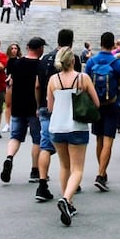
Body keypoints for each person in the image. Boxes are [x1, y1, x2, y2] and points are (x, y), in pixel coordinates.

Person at [47, 46, 99, 226]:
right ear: (73, 60)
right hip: (77, 126)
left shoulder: (53, 80)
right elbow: (96, 102)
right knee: (77, 169)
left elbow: (50, 107)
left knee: (64, 166)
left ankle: (68, 202)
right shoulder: (82, 78)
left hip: (57, 126)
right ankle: (66, 199)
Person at [36, 28, 80, 203]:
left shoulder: (45, 58)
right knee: (70, 147)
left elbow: (38, 85)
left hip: (47, 107)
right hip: (68, 110)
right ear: (71, 41)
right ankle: (71, 182)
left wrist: (39, 105)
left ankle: (42, 183)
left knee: (46, 146)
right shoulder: (72, 59)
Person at [84, 31, 120, 192]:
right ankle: (101, 174)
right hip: (112, 105)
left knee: (99, 140)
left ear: (101, 43)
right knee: (109, 140)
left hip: (96, 106)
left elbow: (86, 85)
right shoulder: (117, 63)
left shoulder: (91, 61)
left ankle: (102, 170)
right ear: (113, 45)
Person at [0, 37, 44, 185]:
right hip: (33, 106)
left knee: (15, 136)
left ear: (27, 47)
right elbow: (38, 86)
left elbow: (10, 82)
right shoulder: (40, 65)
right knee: (37, 139)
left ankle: (9, 157)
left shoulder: (15, 63)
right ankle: (34, 170)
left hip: (18, 105)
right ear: (39, 49)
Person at [1, 42, 21, 133]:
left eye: (15, 48)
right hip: (9, 84)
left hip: (18, 84)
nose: (14, 50)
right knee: (8, 104)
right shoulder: (7, 60)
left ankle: (17, 123)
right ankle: (7, 124)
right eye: (12, 48)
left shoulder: (20, 60)